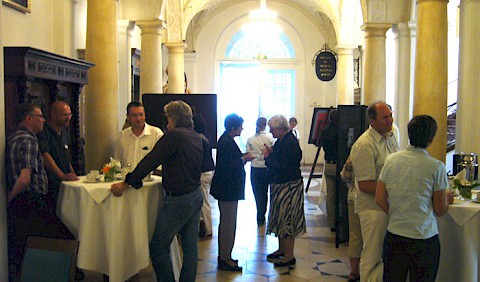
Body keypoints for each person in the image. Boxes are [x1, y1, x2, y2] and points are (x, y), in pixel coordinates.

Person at [111, 100, 203, 282]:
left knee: (158, 246)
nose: (166, 121)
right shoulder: (194, 136)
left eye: (167, 117)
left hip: (178, 200)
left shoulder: (173, 135)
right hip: (195, 194)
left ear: (173, 118)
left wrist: (128, 182)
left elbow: (150, 160)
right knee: (190, 247)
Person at [375, 115, 453, 282]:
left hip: (395, 235)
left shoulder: (391, 160)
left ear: (409, 134)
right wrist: (447, 200)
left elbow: (380, 198)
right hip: (424, 239)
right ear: (431, 138)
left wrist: (397, 213)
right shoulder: (436, 167)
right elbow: (440, 210)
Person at [6, 103, 73, 279]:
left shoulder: (13, 137)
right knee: (62, 238)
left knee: (22, 245)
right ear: (29, 118)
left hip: (22, 203)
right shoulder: (29, 141)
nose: (43, 120)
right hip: (30, 201)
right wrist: (11, 198)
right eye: (40, 116)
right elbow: (25, 177)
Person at [349, 101, 399, 281]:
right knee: (372, 254)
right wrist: (394, 192)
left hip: (388, 204)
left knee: (387, 254)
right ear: (372, 120)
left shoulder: (392, 136)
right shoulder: (364, 145)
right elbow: (365, 184)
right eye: (385, 117)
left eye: (390, 115)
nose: (390, 120)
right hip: (372, 209)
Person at [210, 113, 254, 271]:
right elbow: (230, 165)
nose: (242, 129)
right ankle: (225, 258)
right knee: (228, 223)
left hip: (228, 189)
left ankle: (225, 254)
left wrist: (242, 157)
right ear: (233, 127)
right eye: (240, 126)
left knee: (228, 222)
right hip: (227, 189)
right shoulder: (226, 142)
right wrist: (244, 159)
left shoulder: (226, 140)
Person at [263, 115, 306, 268]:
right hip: (281, 185)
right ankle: (282, 249)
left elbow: (281, 165)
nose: (270, 131)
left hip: (288, 187)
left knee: (287, 219)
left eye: (272, 129)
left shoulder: (289, 142)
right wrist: (272, 152)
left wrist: (268, 157)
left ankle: (289, 255)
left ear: (281, 129)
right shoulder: (283, 140)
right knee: (280, 218)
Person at [37, 101, 79, 203]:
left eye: (69, 114)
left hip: (66, 184)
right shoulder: (44, 132)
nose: (68, 118)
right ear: (54, 115)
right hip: (51, 185)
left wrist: (73, 174)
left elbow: (66, 157)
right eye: (65, 115)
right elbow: (45, 155)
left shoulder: (64, 133)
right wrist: (61, 175)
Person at [114, 101, 164, 170]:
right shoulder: (123, 136)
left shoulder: (156, 134)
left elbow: (162, 161)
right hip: (127, 179)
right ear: (128, 117)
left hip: (151, 180)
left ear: (145, 115)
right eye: (134, 115)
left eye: (141, 115)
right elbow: (117, 162)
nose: (138, 119)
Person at [246, 117, 274, 227]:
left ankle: (260, 215)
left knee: (258, 194)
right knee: (266, 193)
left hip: (255, 169)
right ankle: (265, 213)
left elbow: (249, 153)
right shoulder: (270, 138)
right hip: (267, 168)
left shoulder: (250, 139)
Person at [193, 115, 215, 238]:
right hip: (208, 170)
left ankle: (207, 228)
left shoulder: (197, 139)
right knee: (204, 200)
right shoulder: (206, 137)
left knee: (203, 201)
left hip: (202, 172)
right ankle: (205, 227)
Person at [341, 158, 362, 282]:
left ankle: (355, 271)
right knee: (357, 236)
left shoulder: (357, 148)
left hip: (355, 195)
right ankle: (356, 271)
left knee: (355, 236)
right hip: (358, 197)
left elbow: (345, 175)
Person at [320, 109, 339, 232]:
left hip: (328, 165)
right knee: (341, 194)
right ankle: (341, 222)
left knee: (330, 195)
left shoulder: (324, 131)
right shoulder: (341, 131)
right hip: (339, 165)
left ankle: (332, 223)